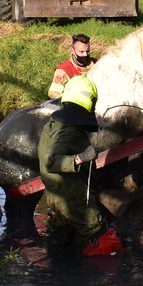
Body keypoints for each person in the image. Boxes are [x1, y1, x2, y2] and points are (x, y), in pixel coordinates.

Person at [36, 74, 122, 256]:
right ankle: (103, 273)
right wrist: (81, 158)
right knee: (104, 242)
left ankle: (58, 270)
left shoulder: (52, 125)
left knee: (59, 246)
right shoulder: (67, 130)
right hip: (74, 199)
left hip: (54, 197)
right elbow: (51, 161)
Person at [47, 33, 94, 100]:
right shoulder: (63, 70)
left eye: (88, 51)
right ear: (72, 51)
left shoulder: (97, 64)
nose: (85, 54)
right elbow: (53, 94)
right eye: (81, 52)